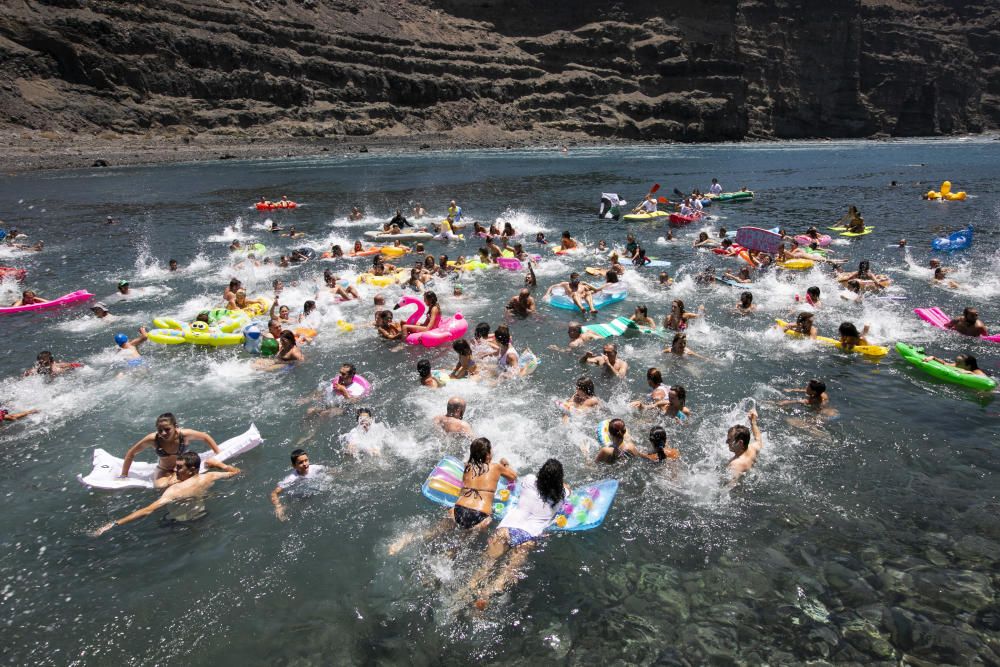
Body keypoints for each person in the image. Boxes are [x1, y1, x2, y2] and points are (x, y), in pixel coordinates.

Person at [465, 459, 568, 609]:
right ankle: (486, 596)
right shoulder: (562, 495)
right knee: (504, 576)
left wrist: (506, 465)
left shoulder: (529, 480)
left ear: (541, 473)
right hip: (528, 536)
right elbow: (566, 487)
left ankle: (464, 593)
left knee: (484, 567)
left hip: (507, 528)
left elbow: (515, 477)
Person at [389, 438, 518, 555]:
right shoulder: (496, 467)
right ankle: (449, 554)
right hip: (480, 515)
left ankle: (406, 539)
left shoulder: (467, 467)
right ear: (488, 454)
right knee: (463, 540)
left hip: (458, 509)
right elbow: (513, 476)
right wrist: (505, 464)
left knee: (434, 531)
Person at [92, 452, 240, 535]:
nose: (176, 470)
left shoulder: (174, 490)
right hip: (202, 516)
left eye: (180, 468)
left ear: (192, 470)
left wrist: (114, 523)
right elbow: (236, 472)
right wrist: (219, 464)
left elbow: (148, 510)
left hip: (178, 523)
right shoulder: (209, 477)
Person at [119, 413, 221, 488]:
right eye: (160, 430)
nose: (163, 433)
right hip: (164, 468)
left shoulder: (184, 435)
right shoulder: (153, 439)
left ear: (175, 427)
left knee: (183, 485)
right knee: (161, 486)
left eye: (167, 429)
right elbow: (131, 453)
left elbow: (205, 437)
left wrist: (219, 454)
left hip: (181, 466)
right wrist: (124, 475)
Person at [270, 449, 332, 521]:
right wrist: (278, 507)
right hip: (297, 497)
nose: (305, 464)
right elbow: (274, 493)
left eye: (306, 460)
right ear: (294, 466)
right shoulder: (291, 478)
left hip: (311, 492)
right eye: (301, 462)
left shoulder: (316, 468)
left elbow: (331, 471)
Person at [727, 408, 762, 488]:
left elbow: (728, 488)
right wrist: (753, 422)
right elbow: (758, 439)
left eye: (729, 440)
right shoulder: (754, 448)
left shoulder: (735, 464)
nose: (726, 442)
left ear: (740, 443)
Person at [921, 353, 988, 377]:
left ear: (968, 366)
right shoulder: (958, 365)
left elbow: (987, 380)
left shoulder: (977, 371)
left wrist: (970, 373)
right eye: (956, 361)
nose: (956, 364)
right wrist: (933, 358)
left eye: (959, 362)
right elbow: (945, 363)